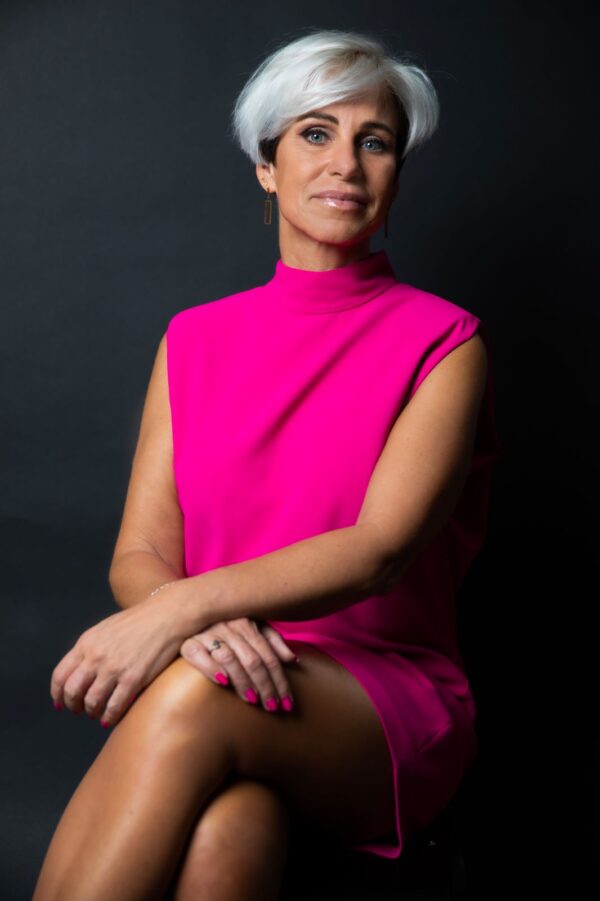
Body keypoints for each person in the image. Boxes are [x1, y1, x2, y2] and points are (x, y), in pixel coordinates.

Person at [33, 28, 502, 900]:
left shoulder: (446, 340)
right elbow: (141, 552)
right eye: (316, 134)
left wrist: (187, 611)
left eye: (375, 141)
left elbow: (380, 549)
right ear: (266, 165)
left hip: (385, 698)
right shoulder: (193, 338)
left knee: (192, 694)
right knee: (228, 829)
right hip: (227, 663)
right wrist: (199, 626)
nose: (346, 164)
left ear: (397, 174)